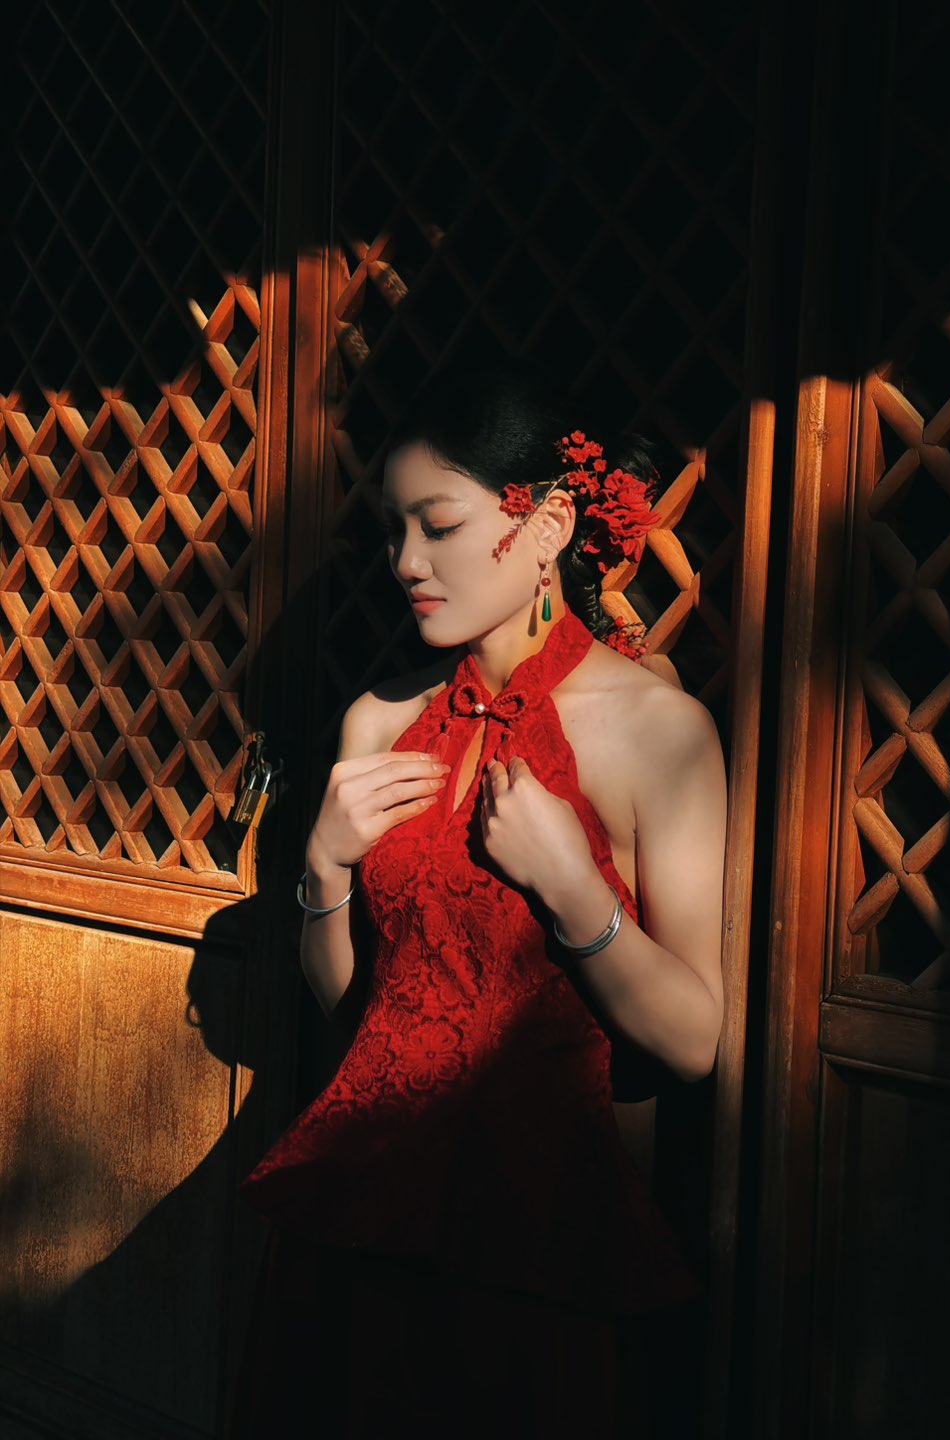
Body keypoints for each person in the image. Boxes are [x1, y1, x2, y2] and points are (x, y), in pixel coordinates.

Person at [234, 366, 727, 1438]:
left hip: (541, 1255)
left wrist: (573, 889)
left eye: (440, 525)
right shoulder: (378, 720)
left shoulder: (659, 732)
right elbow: (355, 1013)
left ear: (547, 526)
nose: (406, 562)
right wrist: (323, 871)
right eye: (395, 530)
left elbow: (694, 1042)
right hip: (359, 1229)